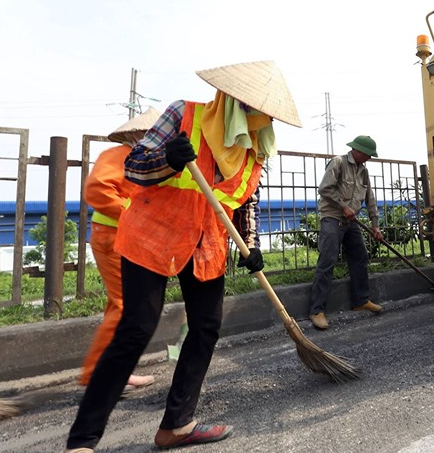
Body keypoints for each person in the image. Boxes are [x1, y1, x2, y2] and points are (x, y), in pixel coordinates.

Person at [65, 61, 301, 453]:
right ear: (229, 100)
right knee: (136, 328)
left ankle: (176, 425)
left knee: (206, 328)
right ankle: (82, 441)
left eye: (266, 114)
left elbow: (245, 200)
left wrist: (252, 243)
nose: (258, 119)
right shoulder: (183, 114)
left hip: (206, 243)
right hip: (152, 234)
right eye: (250, 109)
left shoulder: (256, 147)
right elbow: (135, 168)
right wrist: (168, 159)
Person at [78, 108, 161, 395]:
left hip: (120, 234)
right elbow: (97, 190)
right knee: (125, 305)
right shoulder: (118, 155)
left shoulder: (134, 158)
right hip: (113, 235)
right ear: (138, 134)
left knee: (120, 304)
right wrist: (132, 213)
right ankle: (101, 375)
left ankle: (112, 370)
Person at [308, 135, 384, 331]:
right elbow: (324, 189)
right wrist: (343, 207)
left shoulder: (363, 171)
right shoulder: (338, 162)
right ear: (357, 151)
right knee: (327, 261)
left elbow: (370, 199)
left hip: (351, 222)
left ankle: (361, 300)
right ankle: (317, 310)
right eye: (367, 155)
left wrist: (375, 225)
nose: (369, 158)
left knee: (360, 257)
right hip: (333, 218)